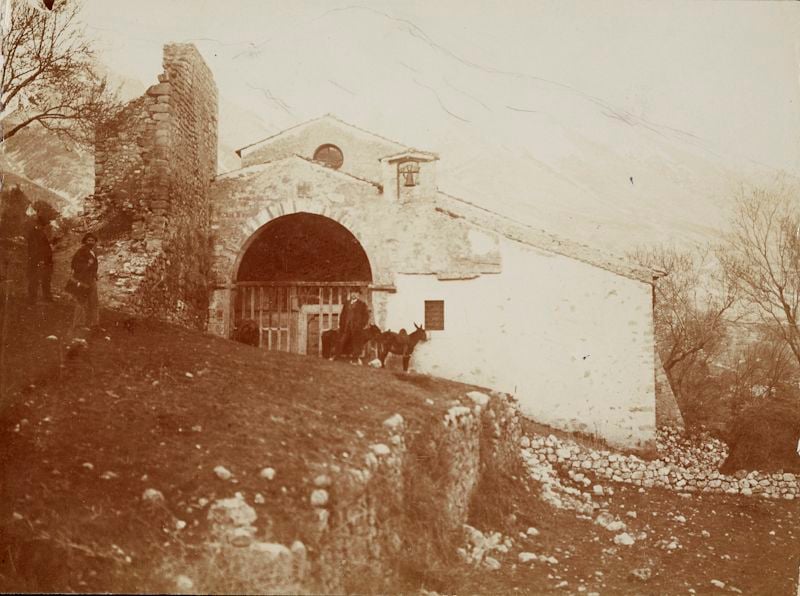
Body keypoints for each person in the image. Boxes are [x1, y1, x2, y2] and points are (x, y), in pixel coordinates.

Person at [70, 232, 100, 330]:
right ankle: (79, 324)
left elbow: (94, 266)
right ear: (85, 241)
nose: (90, 242)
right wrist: (87, 264)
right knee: (81, 301)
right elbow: (75, 265)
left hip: (91, 279)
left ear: (95, 242)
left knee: (94, 301)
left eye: (92, 240)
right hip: (82, 279)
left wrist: (95, 273)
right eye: (88, 240)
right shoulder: (81, 251)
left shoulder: (93, 252)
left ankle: (94, 323)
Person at [332, 290, 369, 361]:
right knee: (341, 341)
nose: (353, 294)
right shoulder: (346, 303)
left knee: (356, 343)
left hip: (356, 328)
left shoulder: (362, 304)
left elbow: (366, 316)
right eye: (352, 293)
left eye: (355, 293)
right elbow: (342, 315)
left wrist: (361, 325)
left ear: (358, 295)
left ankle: (355, 358)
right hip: (346, 327)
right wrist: (341, 324)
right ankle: (336, 357)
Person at [26, 216, 53, 303]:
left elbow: (45, 247)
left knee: (46, 279)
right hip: (36, 260)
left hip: (45, 260)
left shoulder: (41, 233)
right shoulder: (33, 233)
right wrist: (40, 259)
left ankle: (47, 297)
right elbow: (35, 248)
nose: (42, 227)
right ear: (37, 224)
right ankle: (32, 298)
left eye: (43, 225)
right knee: (34, 279)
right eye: (41, 225)